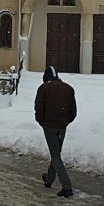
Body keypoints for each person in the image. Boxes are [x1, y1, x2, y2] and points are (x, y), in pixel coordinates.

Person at [34, 66, 77, 198]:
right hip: (62, 125)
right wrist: (66, 121)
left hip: (49, 125)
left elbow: (39, 107)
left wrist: (41, 121)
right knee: (56, 152)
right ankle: (49, 179)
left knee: (55, 155)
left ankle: (67, 186)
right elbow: (73, 111)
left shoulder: (43, 89)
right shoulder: (68, 88)